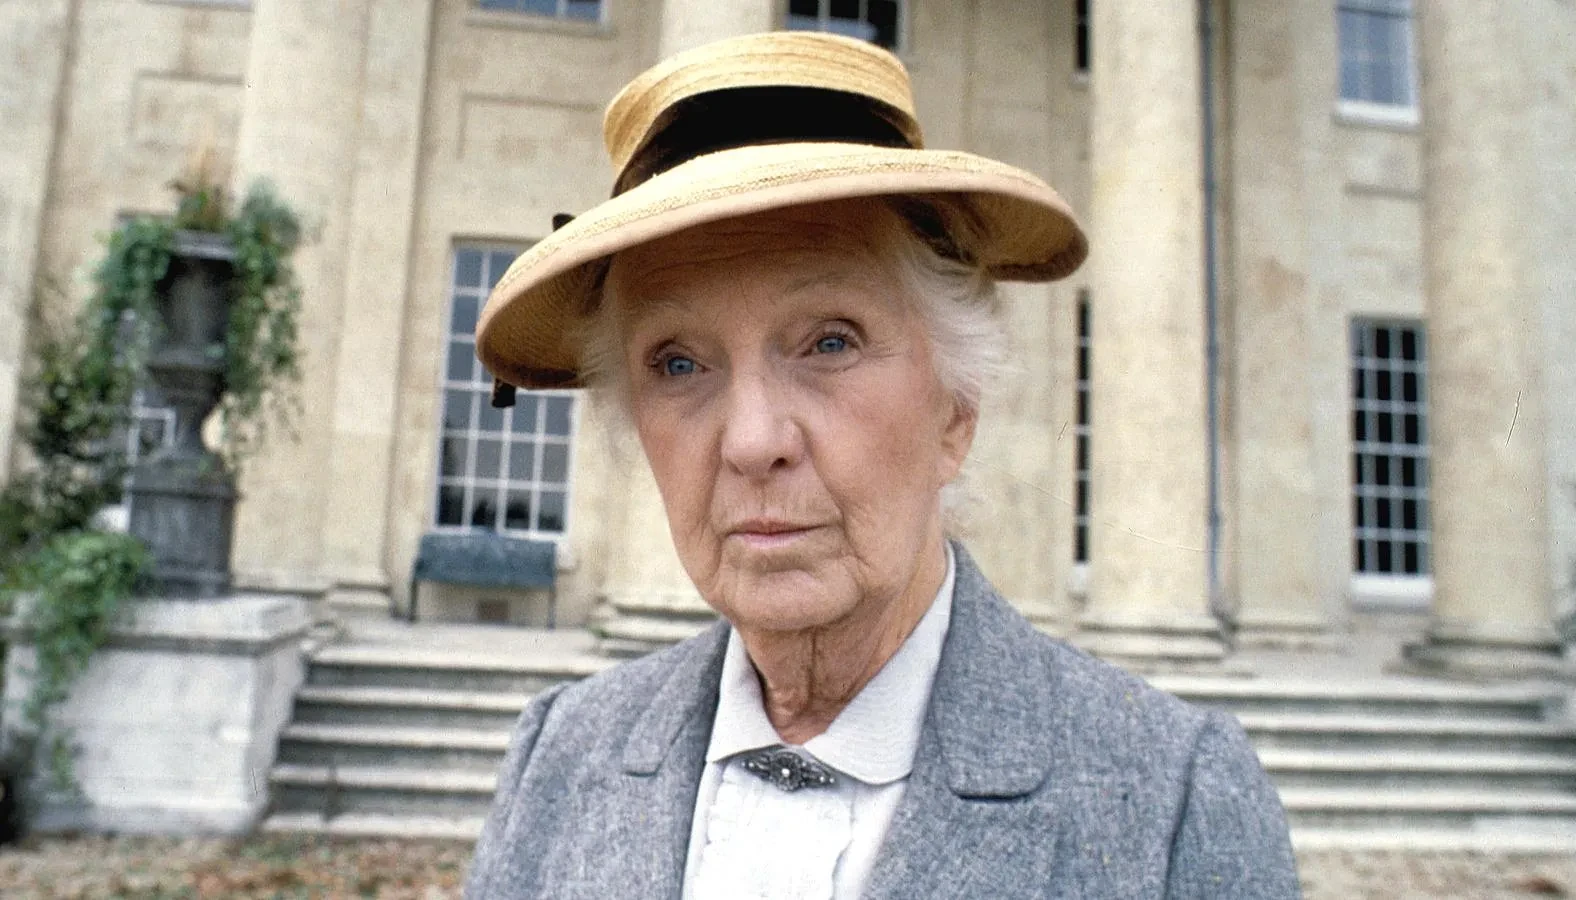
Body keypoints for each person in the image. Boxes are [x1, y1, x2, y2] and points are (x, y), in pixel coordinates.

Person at [466, 31, 1300, 900]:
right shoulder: (561, 755)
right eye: (678, 364)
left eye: (830, 341)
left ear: (956, 409)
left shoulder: (1172, 800)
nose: (753, 441)